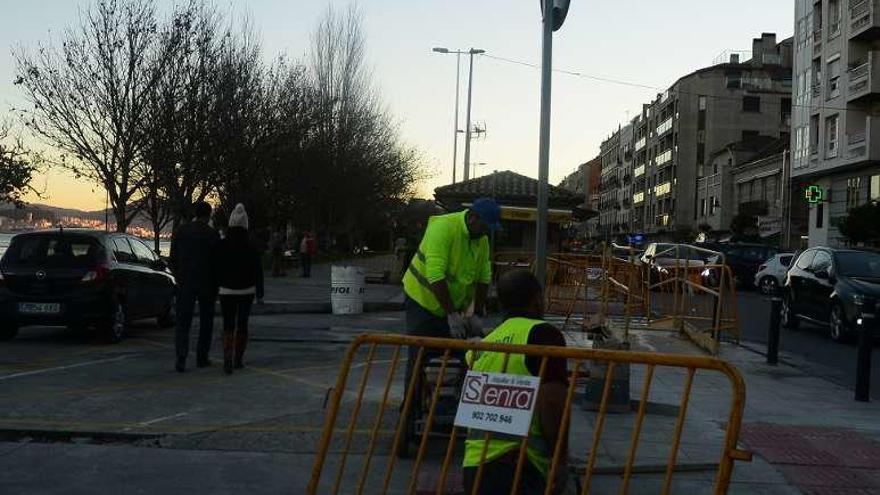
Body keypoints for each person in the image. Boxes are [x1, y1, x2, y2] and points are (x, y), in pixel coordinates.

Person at [462, 270, 569, 495]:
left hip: (473, 467)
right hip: (519, 466)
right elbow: (552, 402)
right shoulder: (543, 336)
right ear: (537, 299)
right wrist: (559, 459)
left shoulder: (482, 348)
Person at [402, 197, 501, 341]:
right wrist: (452, 315)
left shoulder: (482, 240)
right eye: (484, 227)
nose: (485, 232)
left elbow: (483, 278)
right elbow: (435, 275)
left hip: (451, 305)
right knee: (421, 353)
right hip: (422, 301)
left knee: (461, 354)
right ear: (472, 218)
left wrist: (475, 314)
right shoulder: (444, 227)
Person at [170, 201, 220, 372]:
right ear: (209, 215)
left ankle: (181, 357)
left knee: (183, 321)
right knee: (206, 321)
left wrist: (178, 275)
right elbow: (217, 262)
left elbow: (173, 258)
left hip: (186, 281)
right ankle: (202, 357)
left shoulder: (181, 231)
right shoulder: (212, 234)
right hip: (207, 282)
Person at [216, 204, 264, 375]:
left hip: (226, 290)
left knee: (228, 325)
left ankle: (227, 358)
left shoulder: (222, 244)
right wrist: (260, 293)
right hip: (246, 290)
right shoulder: (252, 246)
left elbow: (216, 267)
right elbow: (258, 271)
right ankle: (238, 359)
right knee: (242, 325)